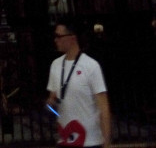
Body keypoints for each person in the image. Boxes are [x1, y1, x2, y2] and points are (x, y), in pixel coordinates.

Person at [47, 18, 110, 148]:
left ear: (72, 38)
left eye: (59, 36)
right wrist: (51, 102)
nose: (55, 40)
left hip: (90, 141)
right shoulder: (55, 65)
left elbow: (103, 107)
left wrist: (106, 141)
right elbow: (53, 95)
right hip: (65, 138)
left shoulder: (91, 66)